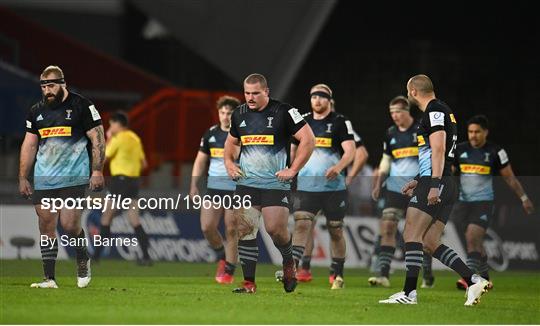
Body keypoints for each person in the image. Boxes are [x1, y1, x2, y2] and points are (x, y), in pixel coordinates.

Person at [379, 74, 490, 306]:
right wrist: (420, 179)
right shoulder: (441, 110)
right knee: (429, 241)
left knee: (411, 234)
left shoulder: (434, 111)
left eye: (408, 91)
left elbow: (438, 150)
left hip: (438, 181)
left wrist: (433, 184)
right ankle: (472, 281)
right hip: (441, 181)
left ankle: (409, 293)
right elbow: (436, 152)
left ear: (413, 92)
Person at [224, 73, 315, 293]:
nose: (250, 97)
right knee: (245, 228)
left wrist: (293, 169)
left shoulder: (284, 111)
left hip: (276, 182)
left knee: (275, 229)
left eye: (255, 93)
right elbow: (230, 143)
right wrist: (229, 163)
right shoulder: (239, 114)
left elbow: (308, 139)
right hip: (247, 182)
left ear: (267, 92)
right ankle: (249, 283)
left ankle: (288, 263)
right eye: (247, 93)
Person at [19, 65, 105, 288]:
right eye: (44, 86)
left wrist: (97, 170)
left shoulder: (82, 106)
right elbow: (29, 145)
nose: (47, 90)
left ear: (63, 84)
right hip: (44, 178)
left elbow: (97, 138)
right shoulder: (36, 111)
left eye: (51, 85)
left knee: (69, 224)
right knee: (46, 225)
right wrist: (23, 177)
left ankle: (83, 259)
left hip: (74, 176)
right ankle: (49, 279)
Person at [294, 90, 368, 286]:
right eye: (313, 96)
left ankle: (337, 273)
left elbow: (353, 151)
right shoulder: (302, 121)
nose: (317, 100)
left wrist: (340, 168)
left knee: (335, 230)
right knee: (302, 224)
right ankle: (293, 268)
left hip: (333, 188)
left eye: (321, 97)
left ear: (329, 100)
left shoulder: (340, 122)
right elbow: (293, 146)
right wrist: (291, 167)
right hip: (306, 185)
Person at [452, 114, 535, 290]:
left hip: (484, 203)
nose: (473, 135)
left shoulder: (496, 152)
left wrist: (524, 198)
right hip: (463, 204)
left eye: (477, 132)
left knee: (473, 236)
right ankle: (485, 278)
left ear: (486, 132)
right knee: (474, 242)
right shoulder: (459, 150)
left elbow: (510, 179)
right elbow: (448, 172)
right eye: (470, 132)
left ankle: (469, 278)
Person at [368, 96, 434, 288]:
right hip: (394, 189)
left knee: (419, 234)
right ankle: (383, 274)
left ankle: (427, 273)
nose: (395, 116)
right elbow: (386, 160)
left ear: (407, 111)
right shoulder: (390, 133)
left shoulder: (421, 130)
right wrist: (378, 183)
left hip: (418, 189)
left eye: (398, 112)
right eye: (392, 112)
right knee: (387, 227)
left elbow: (430, 158)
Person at [190, 95, 241, 284]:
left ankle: (229, 270)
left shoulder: (241, 135)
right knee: (207, 227)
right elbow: (200, 161)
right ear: (218, 113)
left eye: (229, 113)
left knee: (232, 229)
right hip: (214, 189)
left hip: (235, 189)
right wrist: (194, 184)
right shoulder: (210, 133)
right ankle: (222, 255)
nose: (225, 116)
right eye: (222, 112)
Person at [92, 111, 152, 265]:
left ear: (118, 124)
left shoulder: (118, 138)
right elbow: (144, 164)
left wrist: (109, 137)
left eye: (111, 124)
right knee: (135, 220)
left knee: (106, 218)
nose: (110, 127)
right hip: (133, 182)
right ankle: (146, 257)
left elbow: (106, 156)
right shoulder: (135, 138)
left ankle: (96, 257)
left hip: (119, 182)